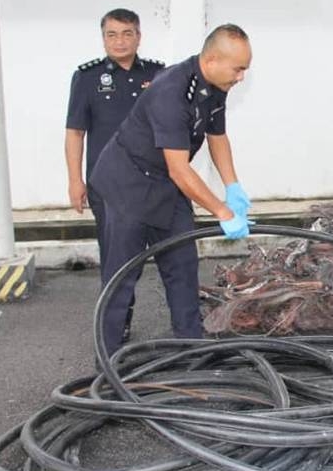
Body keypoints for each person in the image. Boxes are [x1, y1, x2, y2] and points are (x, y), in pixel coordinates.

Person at [89, 24, 254, 352]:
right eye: (239, 69)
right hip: (128, 183)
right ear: (212, 60)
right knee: (122, 275)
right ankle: (106, 365)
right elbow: (181, 170)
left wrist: (232, 186)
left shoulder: (216, 85)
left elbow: (216, 137)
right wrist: (222, 211)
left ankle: (193, 350)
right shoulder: (171, 92)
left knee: (182, 265)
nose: (241, 77)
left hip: (164, 182)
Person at [65, 8, 163, 340]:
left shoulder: (158, 75)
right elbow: (75, 133)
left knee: (169, 255)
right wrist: (75, 180)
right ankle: (116, 324)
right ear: (103, 37)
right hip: (107, 186)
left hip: (153, 183)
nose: (119, 41)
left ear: (138, 36)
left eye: (127, 33)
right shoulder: (87, 78)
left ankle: (185, 322)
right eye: (112, 34)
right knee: (116, 259)